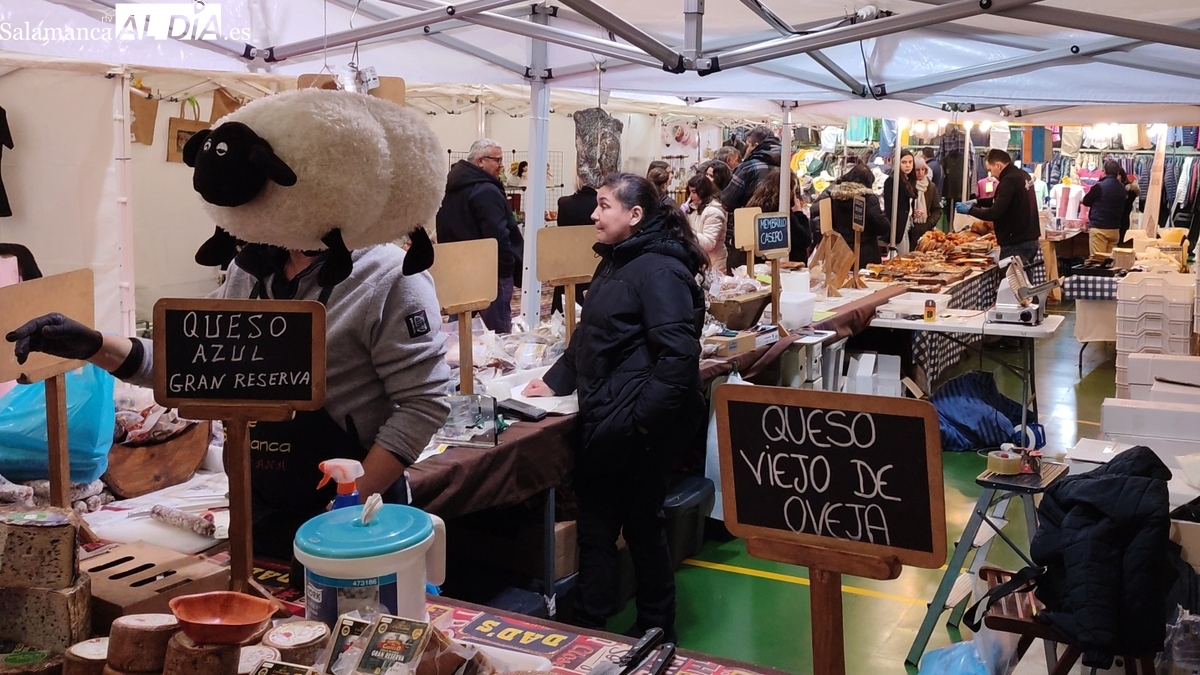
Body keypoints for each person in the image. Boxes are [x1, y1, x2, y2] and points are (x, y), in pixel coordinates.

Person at [7, 245, 451, 561]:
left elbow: (423, 402)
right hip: (258, 504)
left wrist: (349, 511)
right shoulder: (251, 268)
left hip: (360, 515)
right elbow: (194, 360)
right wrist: (95, 345)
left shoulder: (390, 273)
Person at [521, 173, 707, 642]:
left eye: (604, 206)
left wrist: (642, 420)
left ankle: (656, 626)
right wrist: (555, 380)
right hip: (610, 416)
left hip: (636, 426)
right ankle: (590, 619)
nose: (594, 214)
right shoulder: (616, 262)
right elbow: (591, 334)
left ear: (635, 215)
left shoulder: (659, 270)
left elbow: (680, 358)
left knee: (641, 526)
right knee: (598, 522)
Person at [436, 138, 524, 333]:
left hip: (459, 269)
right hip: (490, 273)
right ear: (480, 161)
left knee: (458, 330)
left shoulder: (450, 187)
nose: (502, 166)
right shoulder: (485, 190)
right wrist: (505, 270)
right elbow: (498, 236)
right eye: (498, 160)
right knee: (498, 334)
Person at [956, 149, 1040, 265]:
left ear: (998, 165)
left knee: (1012, 282)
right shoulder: (1023, 175)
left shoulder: (1008, 180)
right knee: (1024, 279)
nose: (991, 175)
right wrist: (977, 201)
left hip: (1015, 243)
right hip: (1030, 239)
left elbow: (994, 213)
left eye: (990, 170)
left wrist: (970, 210)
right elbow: (1004, 200)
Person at [721, 127, 782, 271]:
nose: (746, 149)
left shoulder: (748, 167)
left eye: (748, 144)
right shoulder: (786, 167)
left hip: (748, 236)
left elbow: (727, 201)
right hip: (778, 234)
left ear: (754, 145)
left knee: (743, 284)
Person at [810, 164, 891, 268]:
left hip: (840, 251)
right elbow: (882, 226)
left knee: (842, 281)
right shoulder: (868, 199)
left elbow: (820, 216)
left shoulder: (834, 195)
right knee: (865, 281)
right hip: (865, 253)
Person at [551, 175, 598, 314]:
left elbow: (562, 232)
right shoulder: (601, 206)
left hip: (569, 262)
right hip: (594, 260)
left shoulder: (564, 203)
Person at [746, 169, 812, 264]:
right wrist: (799, 213)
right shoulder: (783, 212)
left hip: (757, 266)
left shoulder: (755, 205)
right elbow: (804, 240)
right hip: (781, 268)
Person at [1083, 160, 1128, 255]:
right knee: (1111, 262)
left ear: (1104, 171)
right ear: (1118, 173)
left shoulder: (1099, 186)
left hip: (1099, 228)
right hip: (1115, 229)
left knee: (1098, 261)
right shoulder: (1122, 188)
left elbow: (1086, 201)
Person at [685, 173, 727, 273]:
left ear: (703, 191)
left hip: (714, 264)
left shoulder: (713, 212)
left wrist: (686, 230)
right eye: (690, 192)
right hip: (702, 262)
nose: (691, 196)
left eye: (694, 192)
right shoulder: (694, 208)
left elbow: (709, 243)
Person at [883, 150, 917, 251]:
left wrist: (913, 211)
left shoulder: (909, 180)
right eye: (904, 162)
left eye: (910, 162)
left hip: (907, 223)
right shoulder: (892, 181)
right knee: (901, 256)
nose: (908, 165)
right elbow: (889, 208)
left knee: (906, 253)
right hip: (898, 226)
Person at [911, 155, 944, 249]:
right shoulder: (908, 185)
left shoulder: (930, 187)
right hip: (910, 229)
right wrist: (911, 213)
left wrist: (928, 224)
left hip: (925, 230)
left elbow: (937, 210)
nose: (920, 173)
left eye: (923, 170)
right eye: (917, 170)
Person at [1117, 167, 1141, 246]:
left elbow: (1127, 204)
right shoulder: (1122, 188)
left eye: (1117, 175)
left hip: (1122, 219)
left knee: (1120, 242)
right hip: (1120, 219)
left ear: (1121, 176)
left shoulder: (1128, 189)